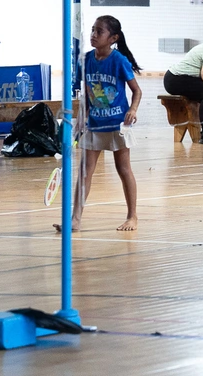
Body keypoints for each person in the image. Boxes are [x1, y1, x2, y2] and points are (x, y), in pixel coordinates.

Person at [61, 15, 143, 233]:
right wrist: (80, 119)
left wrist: (132, 110)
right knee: (85, 172)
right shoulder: (85, 60)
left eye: (99, 32)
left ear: (113, 38)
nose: (93, 35)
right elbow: (85, 93)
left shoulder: (119, 61)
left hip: (118, 124)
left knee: (123, 168)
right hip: (94, 124)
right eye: (92, 30)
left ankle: (132, 216)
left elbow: (137, 91)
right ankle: (75, 220)